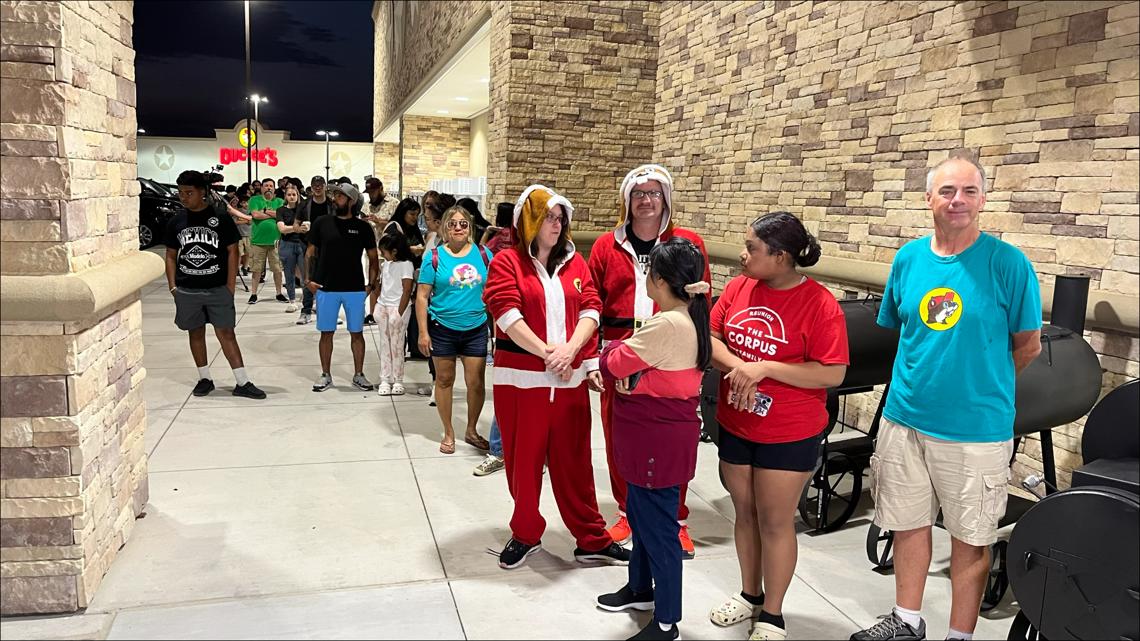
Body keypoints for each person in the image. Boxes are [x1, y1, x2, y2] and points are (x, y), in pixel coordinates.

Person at [851, 156, 1042, 641]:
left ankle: (960, 635)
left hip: (975, 431)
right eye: (948, 191)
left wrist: (979, 384)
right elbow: (906, 333)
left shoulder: (1008, 264)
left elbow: (1027, 345)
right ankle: (906, 620)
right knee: (909, 525)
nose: (958, 200)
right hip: (905, 419)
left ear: (982, 199)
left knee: (970, 539)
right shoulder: (909, 259)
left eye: (969, 191)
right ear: (929, 199)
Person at [707, 211, 849, 641]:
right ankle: (750, 594)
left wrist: (766, 368)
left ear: (782, 256)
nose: (742, 254)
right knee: (744, 513)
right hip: (735, 422)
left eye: (752, 248)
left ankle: (772, 613)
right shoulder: (737, 288)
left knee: (775, 521)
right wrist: (744, 367)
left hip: (788, 431)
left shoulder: (820, 304)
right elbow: (710, 339)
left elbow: (832, 373)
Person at [482, 184, 629, 570]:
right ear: (527, 220)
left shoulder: (575, 263)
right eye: (548, 216)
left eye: (560, 217)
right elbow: (506, 313)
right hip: (522, 384)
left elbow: (592, 308)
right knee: (522, 465)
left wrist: (575, 353)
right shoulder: (506, 262)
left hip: (569, 382)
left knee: (576, 464)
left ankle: (592, 539)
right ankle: (526, 533)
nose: (556, 223)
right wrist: (550, 352)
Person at [588, 164, 710, 559]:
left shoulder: (686, 244)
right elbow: (590, 301)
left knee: (673, 440)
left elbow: (703, 298)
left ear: (666, 199)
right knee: (618, 437)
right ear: (627, 200)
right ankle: (627, 509)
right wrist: (594, 358)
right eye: (639, 193)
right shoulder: (607, 246)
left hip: (673, 353)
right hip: (622, 351)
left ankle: (676, 519)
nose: (646, 200)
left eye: (654, 193)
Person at [594, 238, 711, 641]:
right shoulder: (689, 317)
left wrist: (621, 363)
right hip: (657, 435)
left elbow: (615, 361)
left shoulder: (668, 323)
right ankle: (640, 589)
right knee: (643, 519)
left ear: (658, 280)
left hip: (655, 441)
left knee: (658, 529)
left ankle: (666, 621)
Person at [164, 170, 266, 400]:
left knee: (226, 333)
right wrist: (173, 286)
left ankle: (242, 381)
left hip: (217, 288)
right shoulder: (177, 221)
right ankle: (204, 378)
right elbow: (171, 254)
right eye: (181, 192)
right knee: (195, 332)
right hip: (187, 288)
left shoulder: (220, 218)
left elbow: (232, 252)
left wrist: (230, 286)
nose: (183, 197)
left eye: (189, 192)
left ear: (203, 193)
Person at [415, 205, 493, 453]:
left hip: (476, 327)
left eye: (463, 224)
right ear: (444, 227)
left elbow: (495, 291)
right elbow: (422, 297)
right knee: (445, 380)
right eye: (452, 223)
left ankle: (471, 430)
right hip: (442, 328)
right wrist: (423, 332)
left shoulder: (484, 254)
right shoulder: (434, 257)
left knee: (476, 383)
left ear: (470, 227)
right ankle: (448, 431)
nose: (458, 228)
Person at [306, 182, 379, 392]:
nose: (334, 198)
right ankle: (325, 374)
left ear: (351, 200)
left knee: (357, 333)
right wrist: (308, 280)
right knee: (326, 332)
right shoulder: (322, 223)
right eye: (334, 195)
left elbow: (374, 259)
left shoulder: (364, 227)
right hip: (326, 287)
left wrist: (371, 285)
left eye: (339, 195)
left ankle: (358, 374)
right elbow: (310, 252)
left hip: (355, 288)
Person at [374, 234, 416, 396]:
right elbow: (383, 285)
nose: (383, 255)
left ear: (395, 251)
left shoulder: (406, 265)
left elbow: (407, 289)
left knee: (397, 346)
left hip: (398, 307)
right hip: (383, 305)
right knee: (385, 344)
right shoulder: (386, 265)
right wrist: (377, 306)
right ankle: (385, 378)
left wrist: (399, 311)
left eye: (384, 251)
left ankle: (398, 379)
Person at [296, 175, 334, 325]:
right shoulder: (305, 205)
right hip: (308, 244)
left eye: (320, 185)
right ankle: (305, 311)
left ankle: (328, 310)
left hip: (329, 246)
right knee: (308, 277)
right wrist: (301, 229)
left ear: (325, 186)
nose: (317, 188)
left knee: (329, 279)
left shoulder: (332, 204)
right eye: (315, 185)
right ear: (311, 187)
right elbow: (295, 225)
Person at [363, 177, 398, 324]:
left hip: (389, 251)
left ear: (381, 189)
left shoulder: (394, 204)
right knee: (373, 281)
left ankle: (388, 312)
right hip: (371, 250)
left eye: (373, 192)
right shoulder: (366, 206)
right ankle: (372, 313)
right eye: (369, 192)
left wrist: (380, 222)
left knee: (389, 283)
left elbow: (397, 225)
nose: (371, 195)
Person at [247, 178, 286, 305]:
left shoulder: (279, 201)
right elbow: (255, 215)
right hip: (258, 241)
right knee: (256, 269)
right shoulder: (254, 200)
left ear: (274, 188)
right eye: (266, 185)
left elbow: (282, 215)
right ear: (262, 188)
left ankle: (279, 293)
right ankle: (253, 294)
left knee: (277, 269)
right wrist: (272, 214)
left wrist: (264, 211)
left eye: (271, 186)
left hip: (276, 241)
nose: (268, 187)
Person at [275, 184, 307, 313]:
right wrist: (297, 228)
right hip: (286, 244)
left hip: (302, 244)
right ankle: (292, 301)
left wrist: (292, 228)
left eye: (294, 194)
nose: (292, 197)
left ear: (298, 195)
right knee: (289, 274)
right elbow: (281, 229)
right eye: (289, 194)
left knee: (306, 275)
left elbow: (307, 227)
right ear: (285, 196)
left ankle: (307, 300)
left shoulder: (303, 209)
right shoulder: (281, 210)